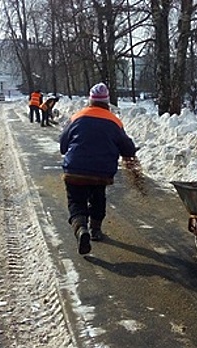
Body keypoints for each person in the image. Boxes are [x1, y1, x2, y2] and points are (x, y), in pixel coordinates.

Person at [59, 83, 138, 254]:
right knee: (98, 196)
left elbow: (63, 144)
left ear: (90, 100)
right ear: (107, 102)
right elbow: (128, 148)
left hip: (75, 170)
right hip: (101, 171)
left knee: (76, 201)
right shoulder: (114, 121)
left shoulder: (77, 117)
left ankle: (81, 229)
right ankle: (96, 230)